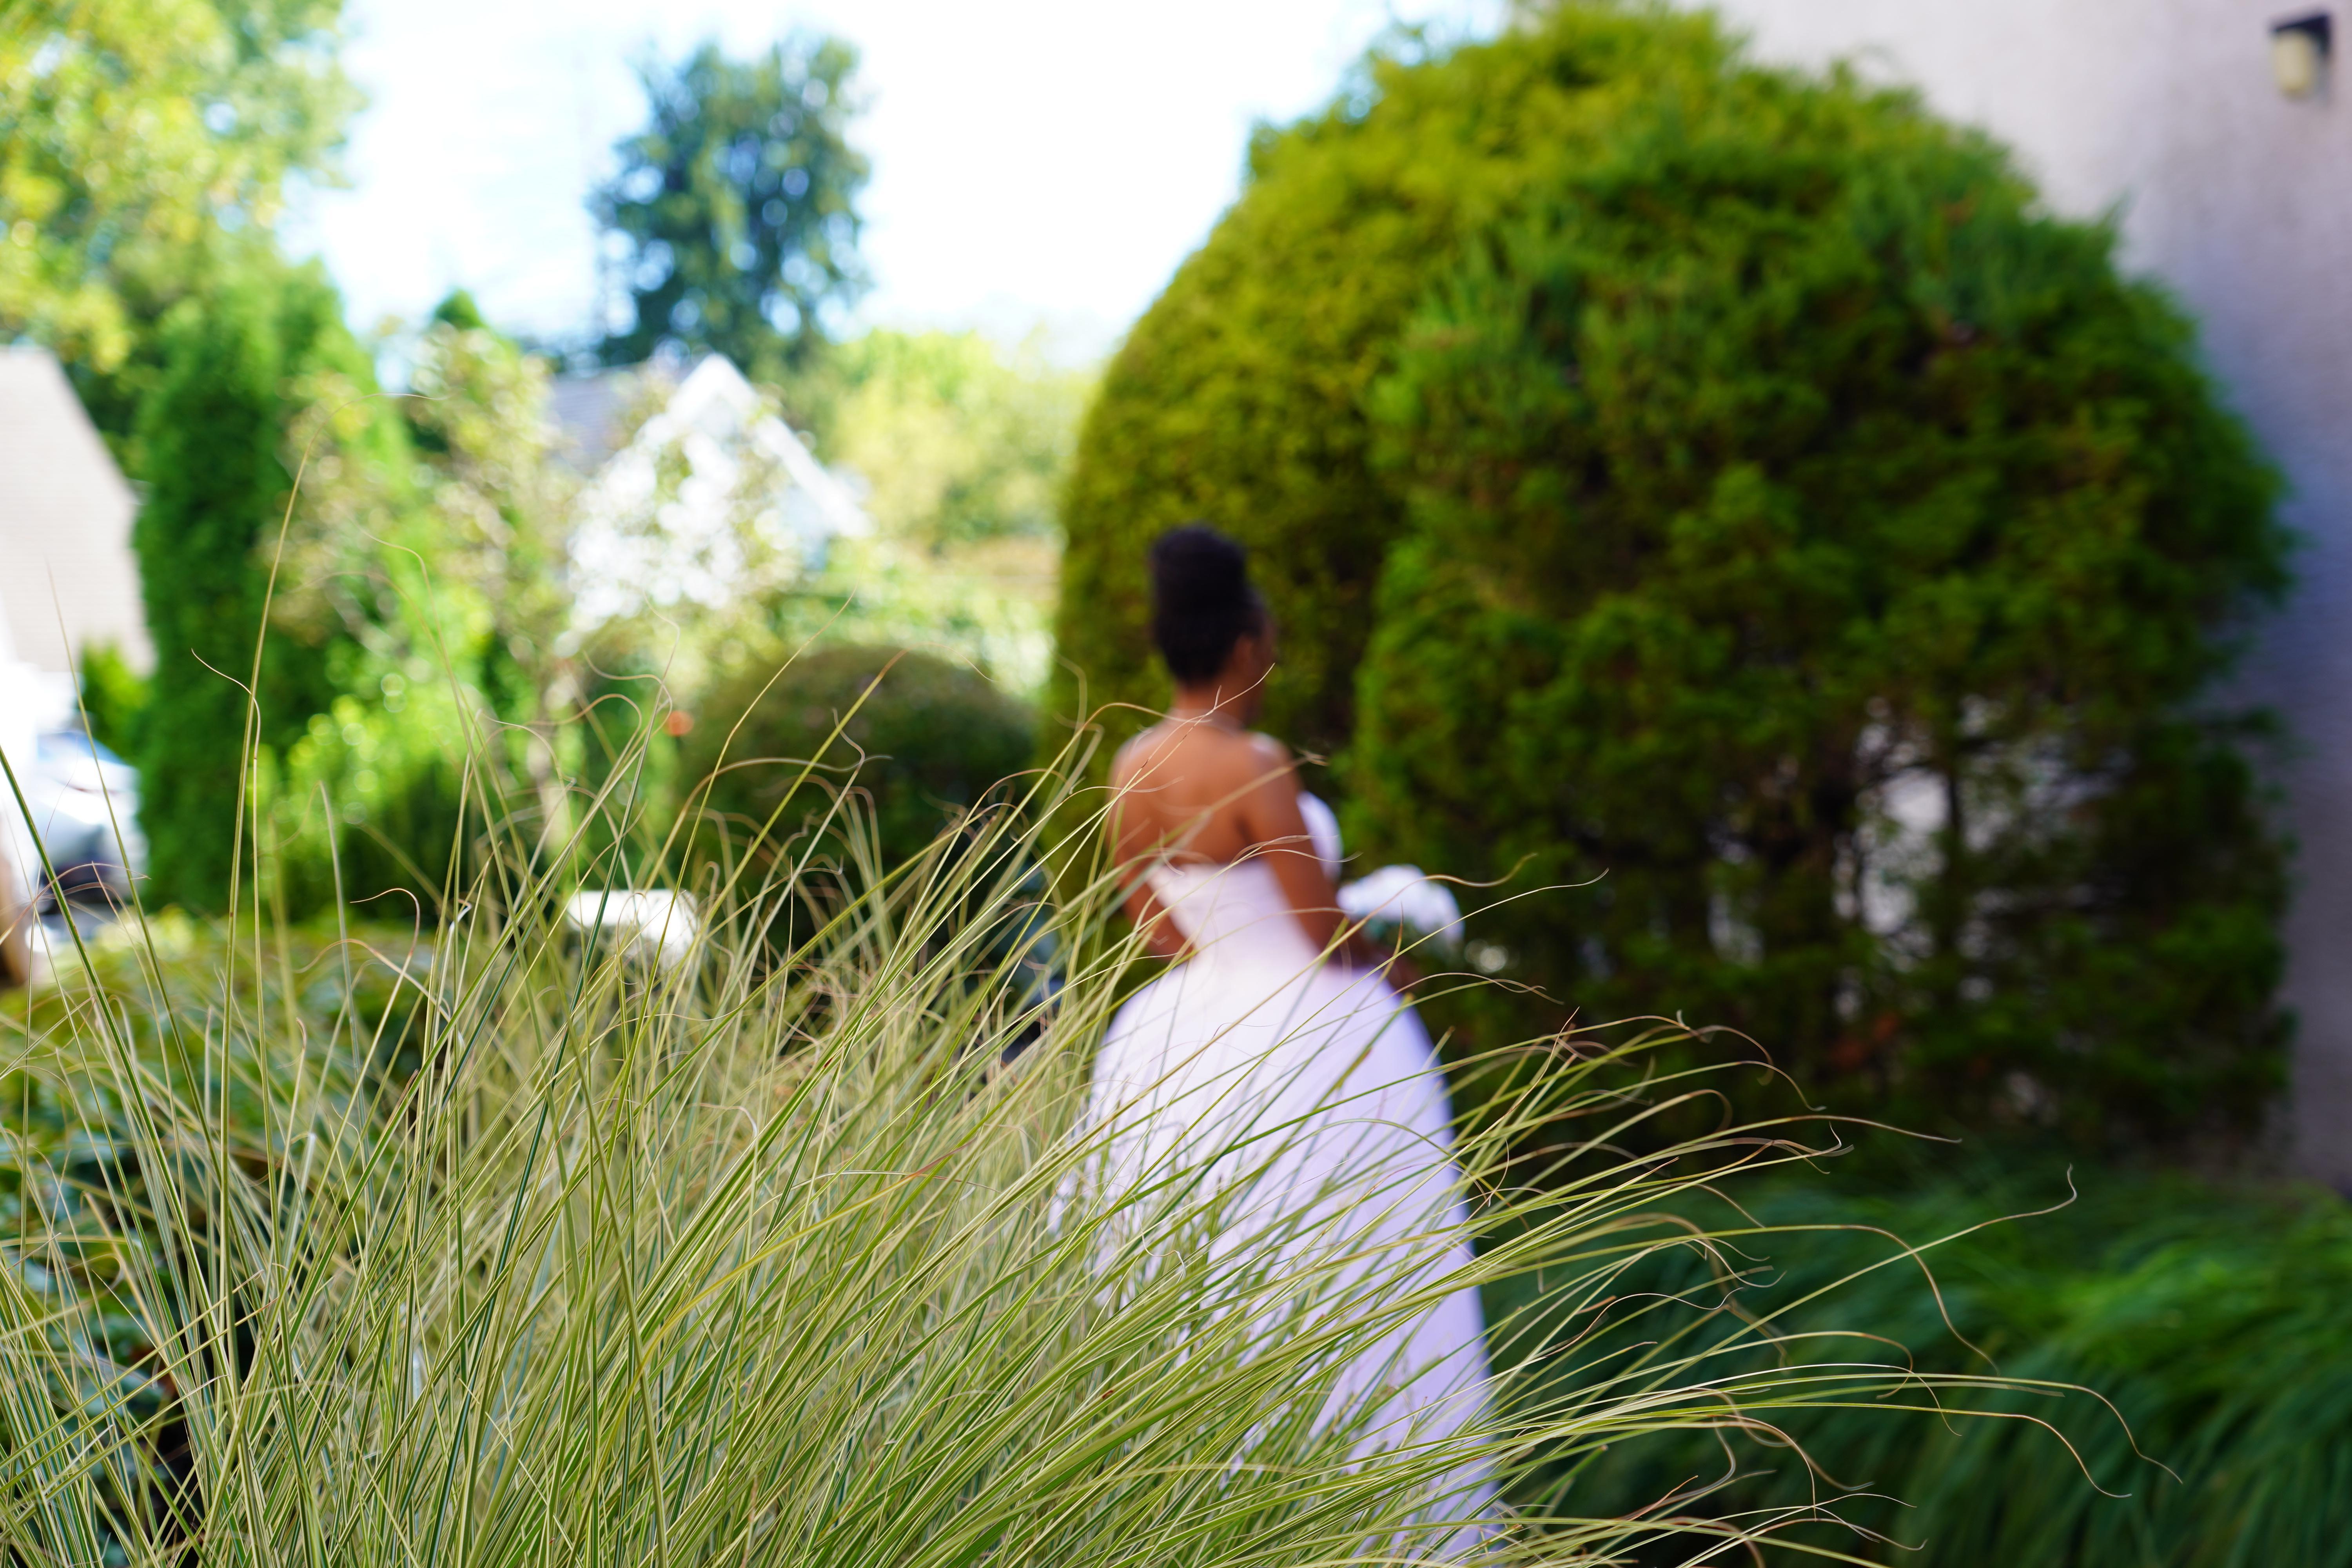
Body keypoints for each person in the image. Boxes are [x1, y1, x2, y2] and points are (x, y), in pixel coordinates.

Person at [1083, 523, 1495, 1550]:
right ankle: (1383, 1510)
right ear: (1242, 645)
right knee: (1361, 1267)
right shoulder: (1254, 762)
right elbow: (1321, 930)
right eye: (1268, 636)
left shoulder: (1132, 763)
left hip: (1187, 1036)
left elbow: (1153, 922)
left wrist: (1230, 942)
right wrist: (1391, 951)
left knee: (1212, 1268)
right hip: (1312, 1036)